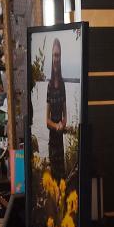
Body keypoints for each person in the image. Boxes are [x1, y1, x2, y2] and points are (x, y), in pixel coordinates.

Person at [46, 38, 68, 180]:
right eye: (54, 55)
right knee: (54, 175)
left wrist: (63, 124)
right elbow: (46, 120)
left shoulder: (62, 84)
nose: (56, 58)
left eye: (58, 55)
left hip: (60, 140)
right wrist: (56, 126)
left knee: (62, 175)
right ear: (51, 57)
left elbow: (65, 115)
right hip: (52, 137)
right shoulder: (48, 85)